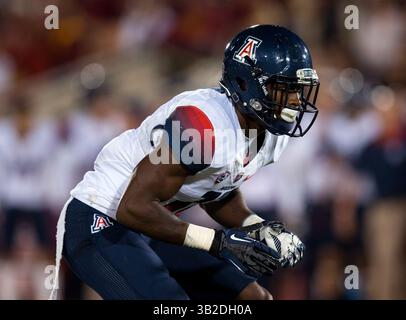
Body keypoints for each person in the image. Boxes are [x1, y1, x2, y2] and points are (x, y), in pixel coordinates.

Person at [50, 24, 320, 300]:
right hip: (103, 218)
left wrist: (257, 225)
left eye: (298, 90)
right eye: (283, 89)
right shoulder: (201, 125)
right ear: (245, 83)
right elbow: (133, 206)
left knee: (253, 297)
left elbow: (216, 187)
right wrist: (219, 242)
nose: (295, 101)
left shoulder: (269, 133)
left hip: (153, 226)